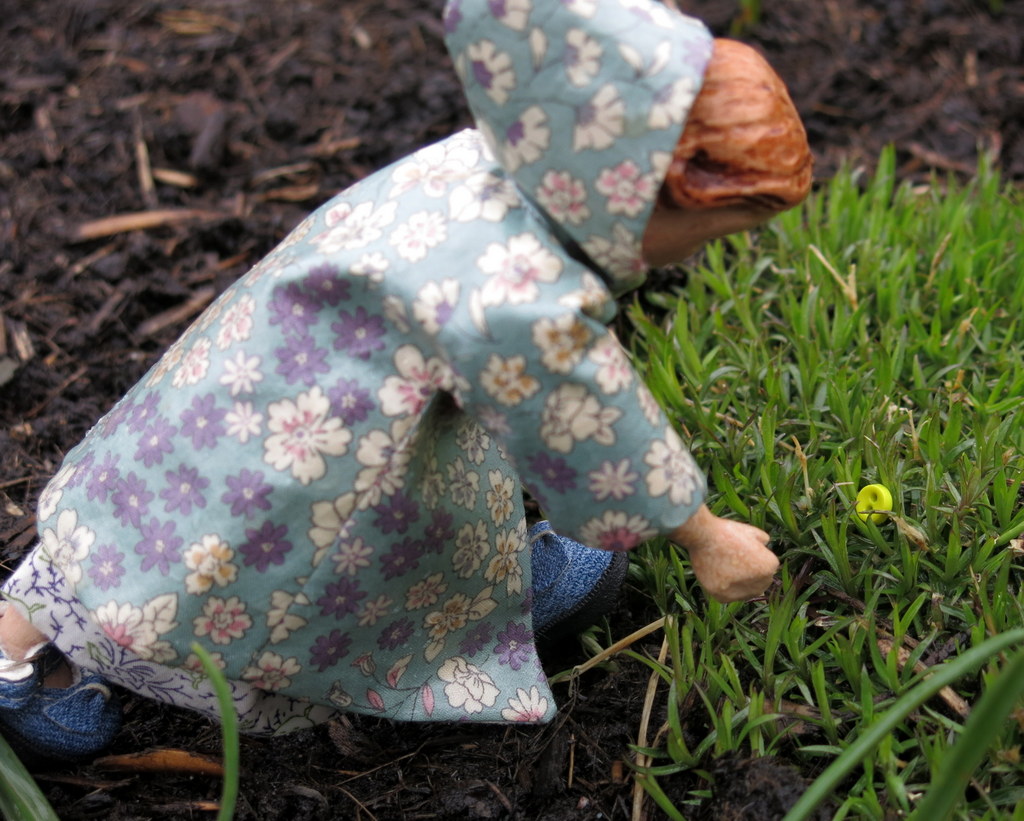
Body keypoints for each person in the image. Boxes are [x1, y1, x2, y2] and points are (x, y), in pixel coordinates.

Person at [0, 0, 811, 759]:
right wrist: (705, 536)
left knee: (148, 513)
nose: (698, 251)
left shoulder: (484, 160)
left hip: (246, 379)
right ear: (635, 193)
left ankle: (21, 633)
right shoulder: (516, 295)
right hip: (326, 452)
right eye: (707, 231)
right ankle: (395, 651)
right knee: (253, 555)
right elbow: (590, 421)